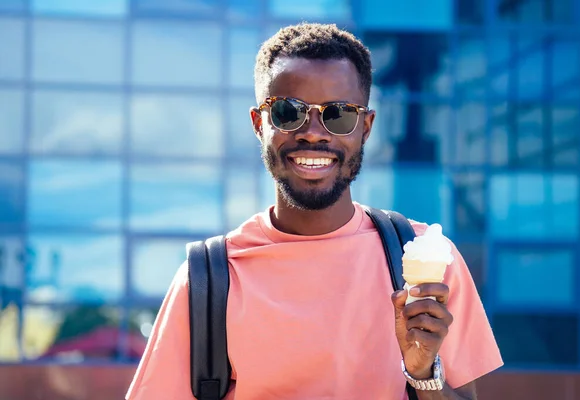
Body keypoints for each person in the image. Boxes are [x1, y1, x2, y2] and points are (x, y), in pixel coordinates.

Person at [126, 23, 503, 400]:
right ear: (260, 124)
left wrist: (423, 375)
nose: (313, 132)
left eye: (338, 114)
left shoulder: (428, 260)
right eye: (289, 112)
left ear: (365, 128)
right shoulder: (208, 278)